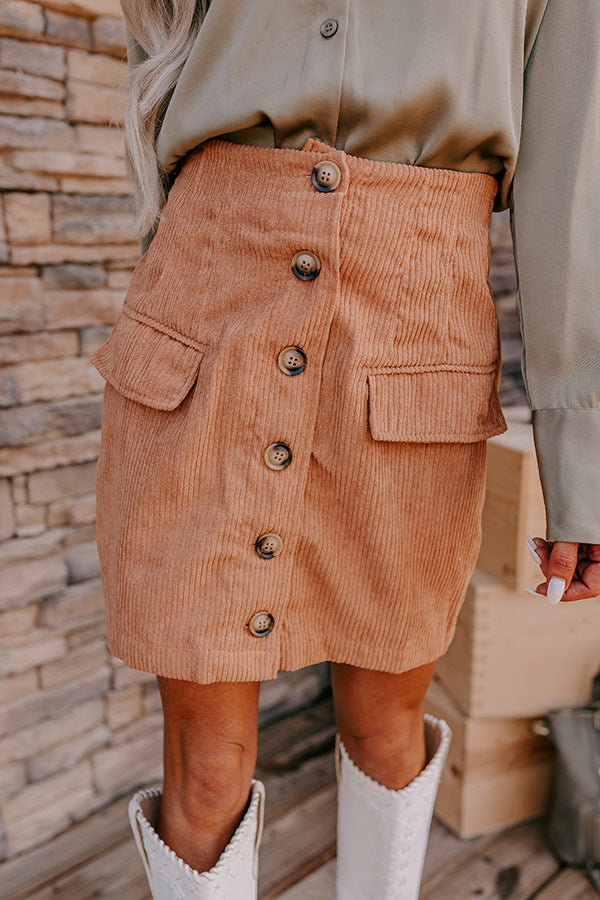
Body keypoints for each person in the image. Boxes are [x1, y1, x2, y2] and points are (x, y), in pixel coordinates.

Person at [89, 1, 600, 897]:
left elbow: (572, 183)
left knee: (385, 731)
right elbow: (160, 65)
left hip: (416, 320)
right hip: (207, 303)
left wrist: (583, 461)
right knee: (203, 771)